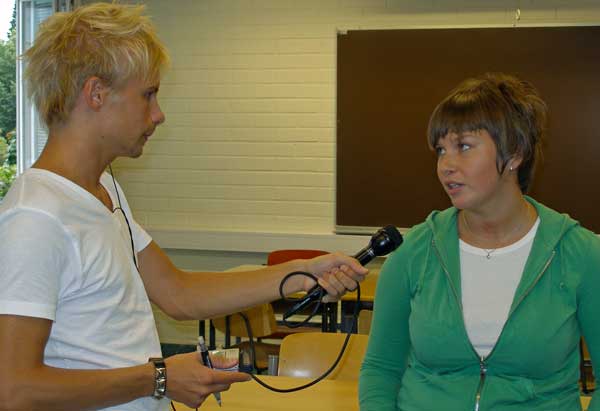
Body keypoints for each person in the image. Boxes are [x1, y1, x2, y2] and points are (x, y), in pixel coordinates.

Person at [0, 4, 368, 411]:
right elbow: (13, 389)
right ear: (96, 94)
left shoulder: (104, 190)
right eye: (148, 95)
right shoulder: (36, 217)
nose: (158, 115)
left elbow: (179, 293)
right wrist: (159, 377)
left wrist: (300, 273)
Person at [359, 72, 600, 411]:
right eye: (441, 150)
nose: (446, 165)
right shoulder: (414, 252)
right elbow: (381, 369)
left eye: (464, 146)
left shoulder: (581, 254)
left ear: (514, 153)